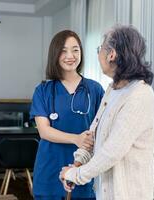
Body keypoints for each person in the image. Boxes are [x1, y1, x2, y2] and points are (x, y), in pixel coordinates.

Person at [59, 25, 154, 200]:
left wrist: (76, 174)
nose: (98, 55)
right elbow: (93, 135)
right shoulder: (112, 90)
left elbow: (112, 152)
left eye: (100, 49)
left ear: (111, 54)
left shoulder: (140, 95)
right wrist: (77, 163)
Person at [30, 30, 104, 200]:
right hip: (49, 167)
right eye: (63, 50)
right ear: (55, 54)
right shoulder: (43, 91)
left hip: (82, 168)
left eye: (75, 50)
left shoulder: (95, 89)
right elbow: (44, 131)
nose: (70, 55)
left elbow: (102, 128)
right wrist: (76, 138)